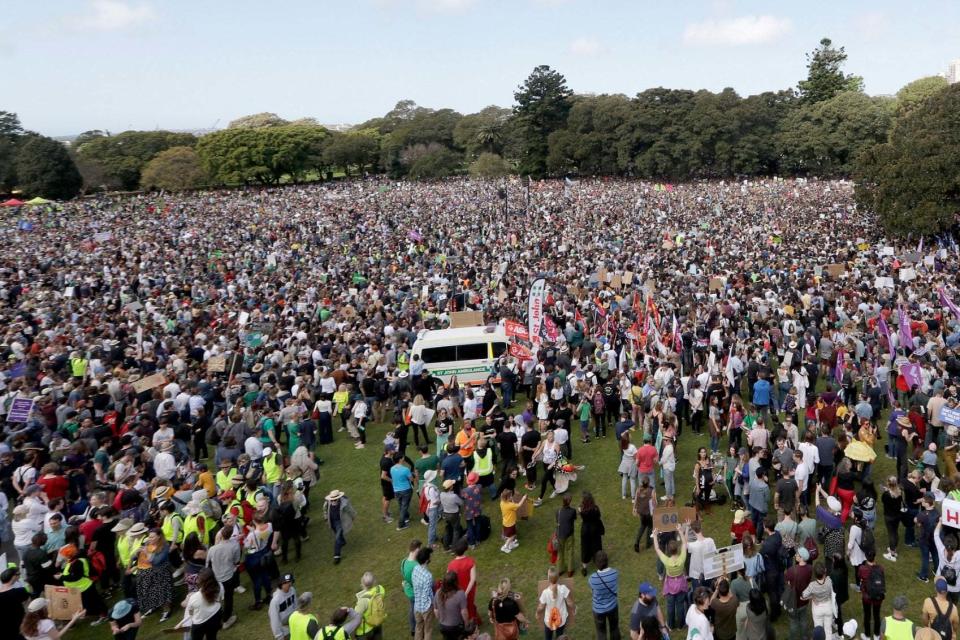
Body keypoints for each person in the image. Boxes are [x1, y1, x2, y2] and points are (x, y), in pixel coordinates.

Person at [653, 523, 688, 630]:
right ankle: (681, 625)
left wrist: (655, 536)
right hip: (681, 583)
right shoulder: (682, 557)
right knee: (680, 605)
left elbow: (658, 549)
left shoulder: (667, 561)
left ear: (668, 550)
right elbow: (685, 544)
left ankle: (671, 625)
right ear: (677, 549)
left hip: (670, 585)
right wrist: (680, 531)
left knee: (670, 606)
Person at [206, 528, 241, 630]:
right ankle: (226, 619)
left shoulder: (212, 549)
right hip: (228, 576)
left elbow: (207, 564)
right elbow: (237, 561)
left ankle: (219, 619)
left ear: (220, 535)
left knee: (217, 599)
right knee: (228, 598)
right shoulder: (234, 545)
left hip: (216, 578)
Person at [588, 550, 620, 640]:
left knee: (601, 632)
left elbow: (593, 591)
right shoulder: (615, 573)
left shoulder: (592, 578)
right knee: (614, 629)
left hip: (598, 610)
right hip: (613, 606)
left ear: (596, 563)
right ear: (607, 561)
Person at [185, 568, 223, 640]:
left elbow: (190, 612)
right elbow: (220, 599)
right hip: (216, 615)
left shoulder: (193, 598)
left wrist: (188, 600)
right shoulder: (220, 586)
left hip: (200, 624)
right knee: (212, 637)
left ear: (200, 581)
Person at [448, 538, 479, 626]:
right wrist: (466, 593)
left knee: (461, 607)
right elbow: (472, 579)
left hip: (457, 590)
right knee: (469, 605)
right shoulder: (470, 561)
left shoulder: (451, 564)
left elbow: (448, 579)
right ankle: (472, 624)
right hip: (468, 590)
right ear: (465, 548)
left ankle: (464, 622)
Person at [801, 563, 835, 640]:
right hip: (828, 607)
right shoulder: (829, 580)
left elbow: (803, 596)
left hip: (817, 609)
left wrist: (812, 597)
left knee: (818, 631)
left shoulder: (812, 585)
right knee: (828, 630)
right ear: (825, 571)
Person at [20, 599, 84, 640]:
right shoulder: (46, 623)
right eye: (46, 607)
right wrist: (73, 620)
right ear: (43, 610)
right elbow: (56, 637)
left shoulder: (26, 623)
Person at [323, 489, 357, 565]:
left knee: (337, 538)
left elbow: (349, 509)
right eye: (332, 499)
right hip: (332, 522)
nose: (333, 500)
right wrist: (326, 518)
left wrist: (353, 516)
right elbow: (325, 510)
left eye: (335, 499)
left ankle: (336, 556)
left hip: (340, 522)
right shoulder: (327, 503)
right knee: (338, 534)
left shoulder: (344, 502)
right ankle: (343, 542)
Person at [435, 570, 468, 640]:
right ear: (456, 582)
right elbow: (464, 612)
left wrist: (440, 621)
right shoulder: (460, 594)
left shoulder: (438, 593)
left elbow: (436, 611)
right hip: (456, 627)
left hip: (443, 626)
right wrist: (466, 623)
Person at [354, 572, 386, 640]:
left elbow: (356, 615)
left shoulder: (363, 600)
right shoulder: (380, 589)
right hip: (377, 622)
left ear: (362, 584)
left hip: (365, 630)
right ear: (374, 581)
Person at [579, 492, 605, 576]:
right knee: (596, 546)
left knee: (585, 547)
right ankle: (598, 562)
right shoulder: (595, 509)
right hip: (595, 529)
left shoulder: (582, 510)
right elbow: (598, 516)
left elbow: (582, 515)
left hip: (586, 530)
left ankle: (584, 567)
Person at [412, 547, 436, 640]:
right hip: (426, 608)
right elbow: (427, 594)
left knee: (418, 628)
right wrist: (433, 605)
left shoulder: (415, 569)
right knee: (428, 630)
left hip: (417, 606)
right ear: (426, 560)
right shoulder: (428, 576)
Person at [0, 567, 29, 640]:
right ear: (13, 577)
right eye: (18, 574)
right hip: (19, 625)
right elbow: (27, 601)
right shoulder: (20, 591)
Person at [402, 540, 423, 637]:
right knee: (418, 612)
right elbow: (419, 582)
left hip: (408, 590)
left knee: (412, 608)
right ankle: (418, 630)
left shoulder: (404, 561)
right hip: (415, 593)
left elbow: (404, 576)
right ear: (417, 549)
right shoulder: (416, 566)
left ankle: (412, 629)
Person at [268, 573, 297, 640]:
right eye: (286, 583)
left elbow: (296, 606)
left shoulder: (292, 590)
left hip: (295, 624)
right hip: (284, 631)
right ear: (281, 584)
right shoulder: (275, 601)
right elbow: (274, 621)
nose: (289, 584)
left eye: (290, 581)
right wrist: (279, 636)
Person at [556, 495, 577, 577]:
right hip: (569, 534)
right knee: (570, 552)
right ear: (569, 502)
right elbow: (574, 519)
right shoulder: (573, 511)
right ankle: (570, 571)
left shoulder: (558, 511)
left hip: (560, 534)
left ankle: (560, 570)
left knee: (560, 553)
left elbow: (557, 521)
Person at [499, 489, 525, 554]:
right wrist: (523, 498)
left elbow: (513, 506)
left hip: (506, 522)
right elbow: (518, 505)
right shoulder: (510, 505)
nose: (511, 497)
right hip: (510, 523)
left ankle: (511, 545)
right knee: (512, 536)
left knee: (510, 534)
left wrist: (511, 500)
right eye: (510, 496)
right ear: (507, 498)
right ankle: (505, 547)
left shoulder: (502, 502)